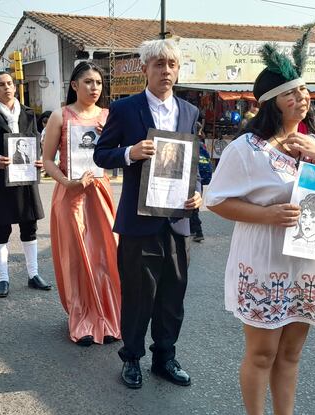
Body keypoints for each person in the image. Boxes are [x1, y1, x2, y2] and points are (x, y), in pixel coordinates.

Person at [204, 35, 315, 415]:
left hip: (308, 262)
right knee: (261, 353)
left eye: (304, 90)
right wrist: (266, 214)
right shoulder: (246, 149)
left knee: (290, 354)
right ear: (272, 101)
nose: (302, 97)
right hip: (265, 260)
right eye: (291, 92)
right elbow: (216, 200)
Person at [93, 39, 202, 390]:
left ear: (178, 70)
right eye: (158, 64)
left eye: (171, 64)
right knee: (139, 294)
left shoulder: (189, 111)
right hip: (140, 221)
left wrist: (197, 192)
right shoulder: (125, 108)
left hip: (177, 219)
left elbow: (193, 164)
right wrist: (130, 152)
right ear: (145, 69)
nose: (165, 71)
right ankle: (132, 359)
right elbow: (101, 154)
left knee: (173, 294)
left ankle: (164, 357)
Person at [42, 61, 121, 347]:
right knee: (75, 258)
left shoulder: (109, 116)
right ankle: (81, 318)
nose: (94, 88)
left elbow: (118, 154)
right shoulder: (60, 117)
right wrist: (66, 182)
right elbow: (48, 160)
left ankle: (108, 316)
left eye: (98, 83)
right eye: (88, 82)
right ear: (74, 85)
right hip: (70, 195)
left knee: (105, 255)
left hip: (99, 194)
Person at [0, 71, 51, 298]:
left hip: (27, 178)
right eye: (1, 84)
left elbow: (36, 142)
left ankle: (33, 274)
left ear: (15, 86)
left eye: (10, 83)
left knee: (30, 227)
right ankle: (3, 278)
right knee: (1, 229)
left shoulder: (28, 113)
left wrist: (40, 159)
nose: (6, 87)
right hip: (2, 179)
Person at [190, 124, 212, 242]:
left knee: (193, 208)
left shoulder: (192, 144)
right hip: (201, 179)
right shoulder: (201, 144)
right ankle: (193, 230)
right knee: (193, 207)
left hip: (194, 178)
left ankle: (198, 231)